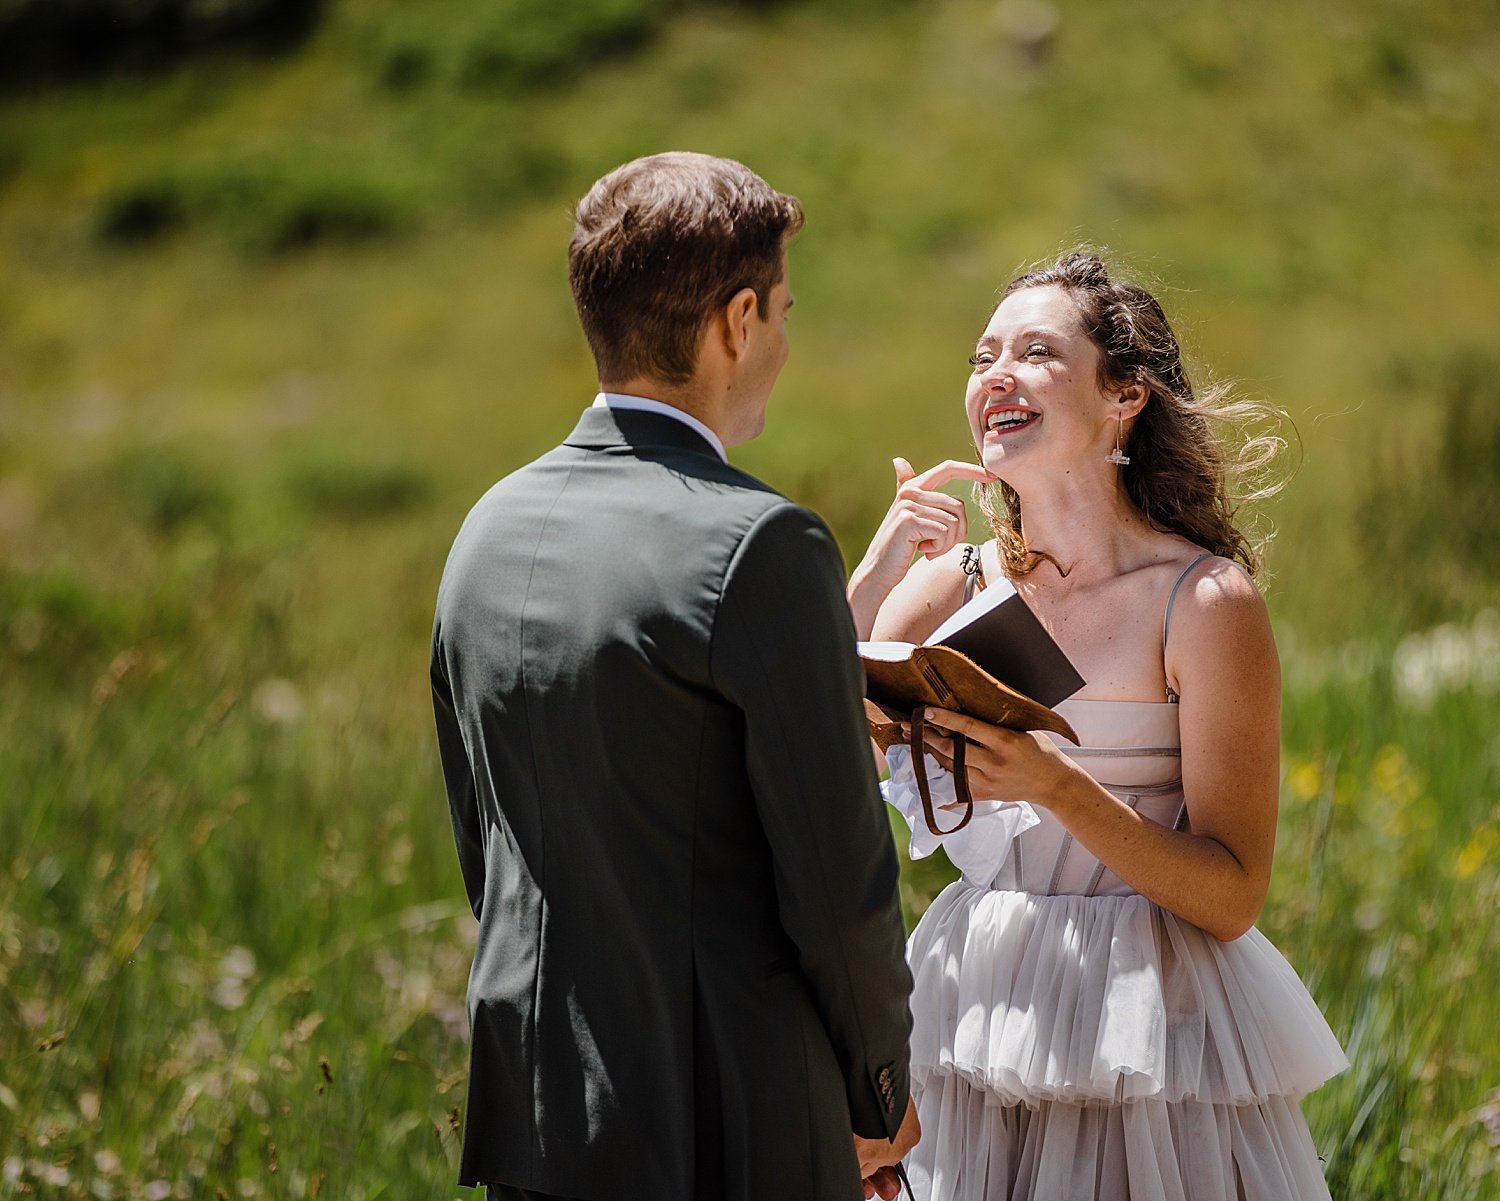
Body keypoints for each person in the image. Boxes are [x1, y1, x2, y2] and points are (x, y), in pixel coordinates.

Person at [430, 152, 919, 1201]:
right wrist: (880, 1091)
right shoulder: (764, 544)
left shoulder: (484, 532)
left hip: (540, 1116)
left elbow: (491, 856)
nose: (785, 338)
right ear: (737, 320)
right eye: (783, 308)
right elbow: (840, 889)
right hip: (730, 1125)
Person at [849, 251, 1348, 1200]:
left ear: (1125, 396)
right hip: (972, 1009)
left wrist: (1053, 786)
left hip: (1148, 1026)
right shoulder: (951, 583)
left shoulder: (1202, 600)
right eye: (982, 353)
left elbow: (1234, 893)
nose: (995, 373)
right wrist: (872, 578)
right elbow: (802, 751)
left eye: (1035, 352)